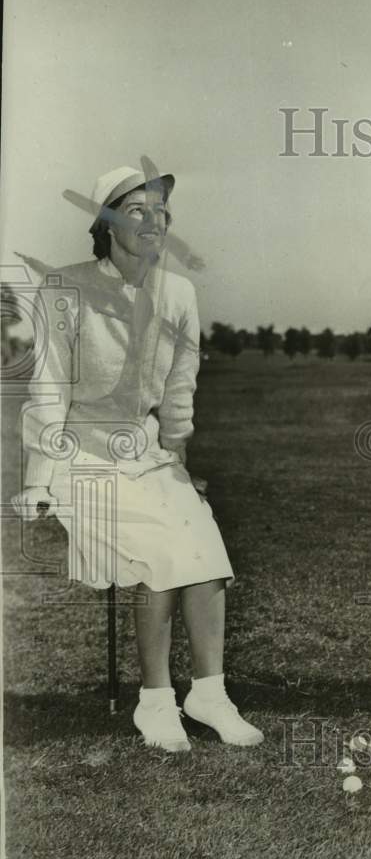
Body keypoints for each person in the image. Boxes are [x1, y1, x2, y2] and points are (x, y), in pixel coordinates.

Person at [12, 165, 264, 751]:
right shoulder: (63, 290)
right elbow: (49, 389)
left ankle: (209, 694)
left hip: (147, 455)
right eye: (138, 211)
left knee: (205, 548)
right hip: (81, 460)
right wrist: (39, 479)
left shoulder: (179, 294)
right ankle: (155, 704)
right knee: (160, 555)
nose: (155, 222)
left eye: (162, 214)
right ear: (106, 224)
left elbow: (179, 393)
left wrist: (180, 466)